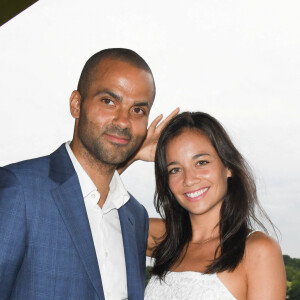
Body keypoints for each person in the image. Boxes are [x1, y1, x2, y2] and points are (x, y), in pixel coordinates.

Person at [0, 48, 178, 300]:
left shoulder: (134, 217)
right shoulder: (19, 190)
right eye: (109, 101)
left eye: (138, 110)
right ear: (76, 104)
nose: (124, 121)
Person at [144, 112, 286, 299]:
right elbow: (94, 215)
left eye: (201, 162)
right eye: (175, 169)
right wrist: (132, 154)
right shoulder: (164, 239)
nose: (189, 179)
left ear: (228, 167)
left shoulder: (257, 250)